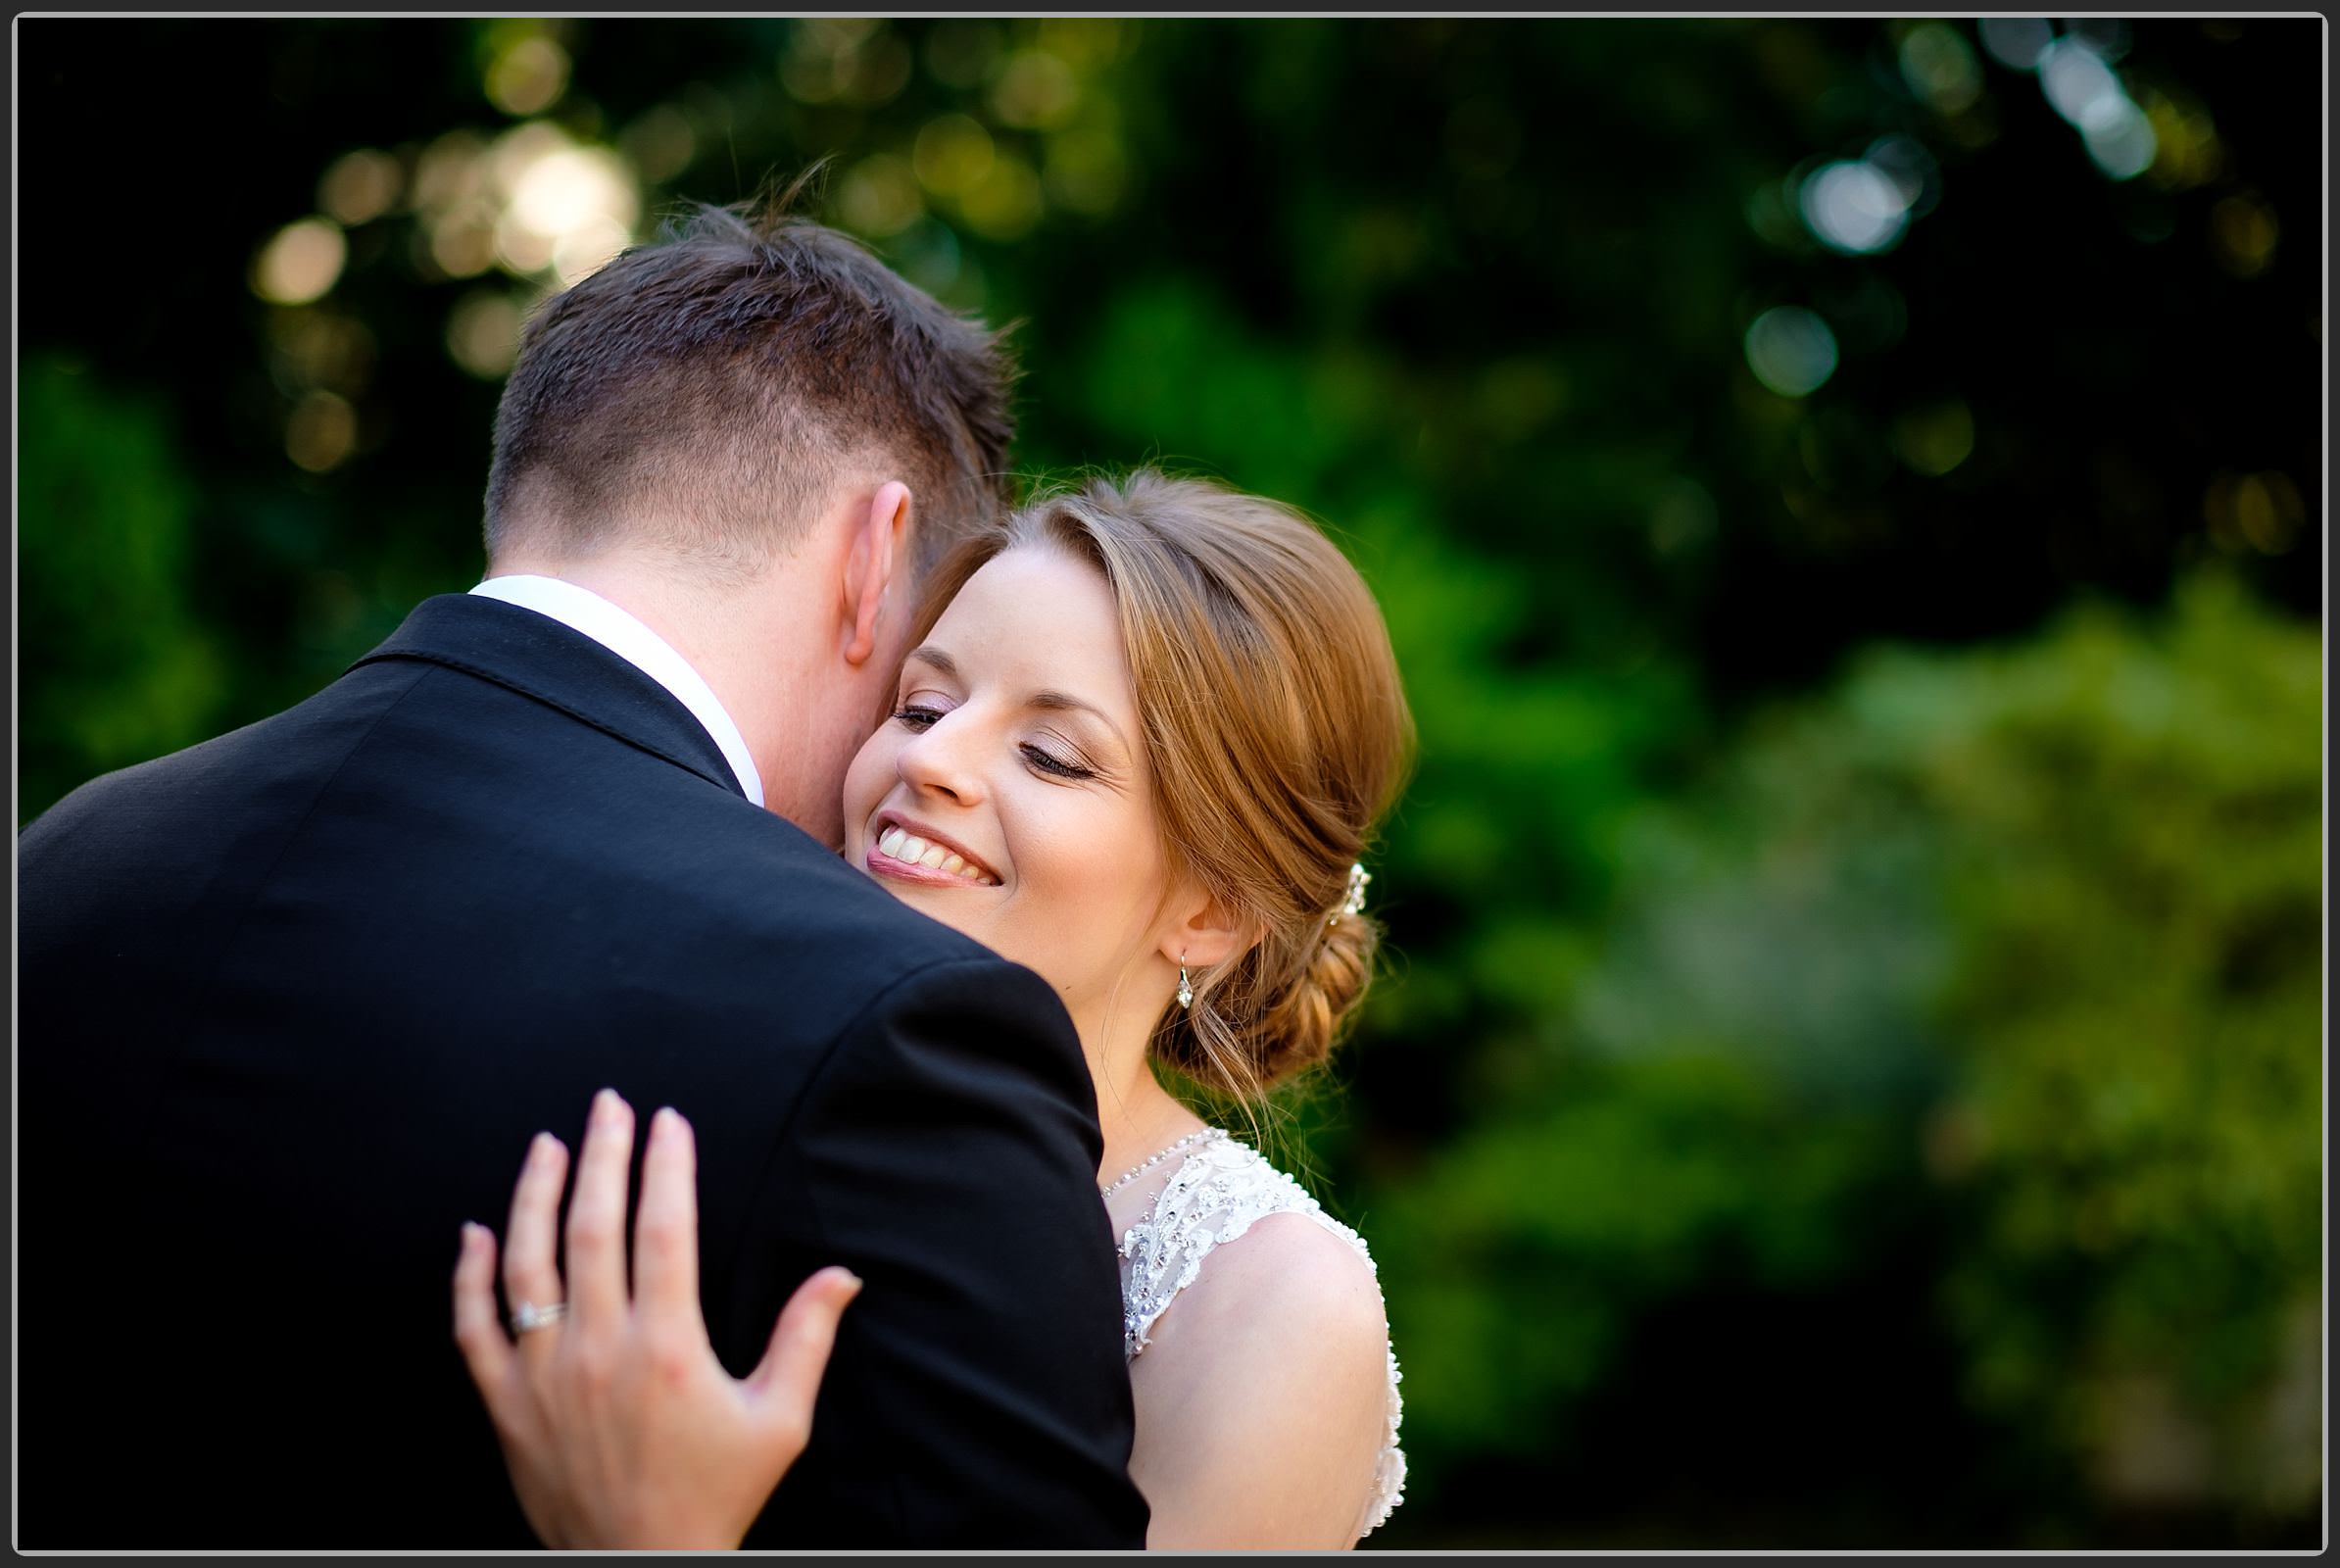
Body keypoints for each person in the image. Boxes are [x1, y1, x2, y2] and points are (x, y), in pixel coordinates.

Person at [16, 191, 1149, 1549]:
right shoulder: (895, 1021)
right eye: (923, 666)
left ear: (533, 483)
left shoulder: (73, 857)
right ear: (874, 556)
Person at [456, 469, 1418, 1548]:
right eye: (923, 703)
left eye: (1052, 755)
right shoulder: (708, 1096)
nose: (930, 759)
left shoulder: (1269, 1309)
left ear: (1214, 910)